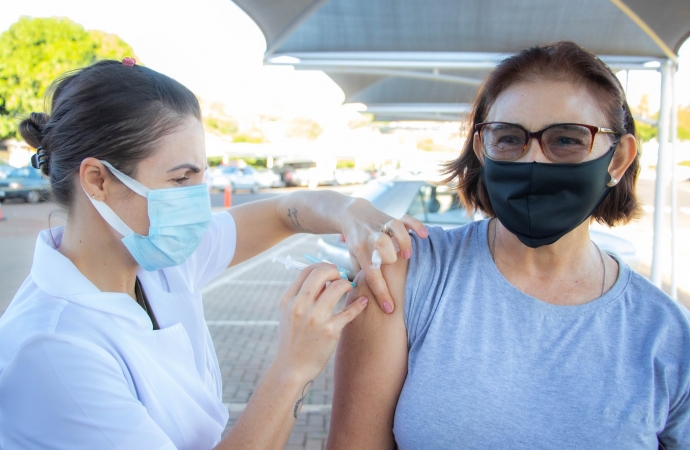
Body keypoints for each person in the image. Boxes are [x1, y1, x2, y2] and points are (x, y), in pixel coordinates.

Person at [0, 59, 427, 449]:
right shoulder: (53, 351)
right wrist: (293, 367)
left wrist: (350, 213)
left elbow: (284, 212)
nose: (198, 205)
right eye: (180, 179)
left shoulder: (153, 258)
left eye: (201, 178)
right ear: (97, 181)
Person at [327, 41, 690, 449]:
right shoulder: (406, 273)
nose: (533, 161)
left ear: (618, 158)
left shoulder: (669, 339)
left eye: (567, 140)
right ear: (482, 149)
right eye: (509, 138)